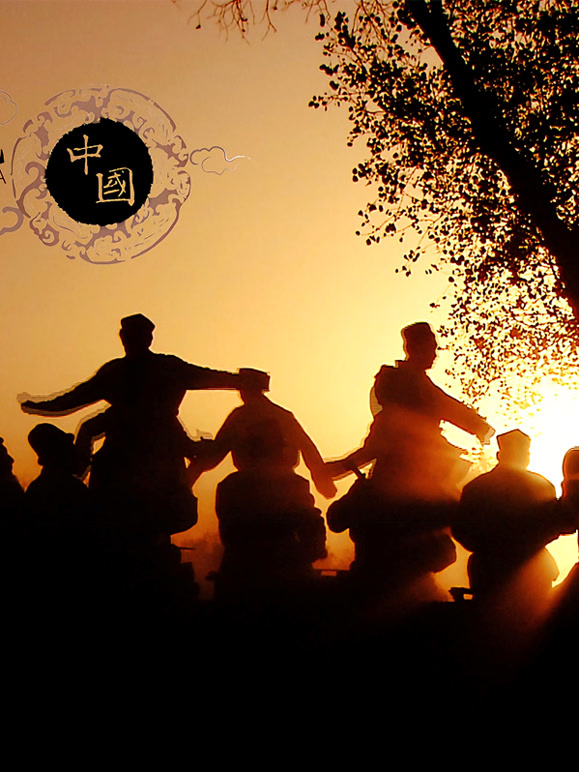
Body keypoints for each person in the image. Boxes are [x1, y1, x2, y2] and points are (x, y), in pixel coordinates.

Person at [20, 314, 269, 539]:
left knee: (149, 516)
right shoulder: (124, 372)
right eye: (127, 335)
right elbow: (76, 399)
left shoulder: (159, 369)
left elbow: (211, 377)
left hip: (156, 454)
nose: (129, 340)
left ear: (147, 338)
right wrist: (42, 406)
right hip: (132, 458)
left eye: (135, 335)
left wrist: (244, 381)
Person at [325, 322, 493, 596]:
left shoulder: (415, 388)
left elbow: (449, 407)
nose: (435, 354)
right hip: (403, 484)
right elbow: (446, 408)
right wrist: (479, 427)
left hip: (411, 482)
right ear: (413, 348)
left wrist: (479, 426)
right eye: (431, 348)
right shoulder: (408, 395)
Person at [188, 371, 335, 598]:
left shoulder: (240, 419)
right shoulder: (284, 416)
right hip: (284, 495)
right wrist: (323, 482)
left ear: (243, 389)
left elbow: (214, 456)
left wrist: (187, 478)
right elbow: (309, 449)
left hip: (247, 559)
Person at [454, 429, 566, 599]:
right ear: (526, 457)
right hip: (534, 573)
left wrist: (491, 548)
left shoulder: (476, 488)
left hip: (488, 572)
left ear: (500, 455)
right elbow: (553, 526)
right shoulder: (542, 486)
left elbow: (461, 531)